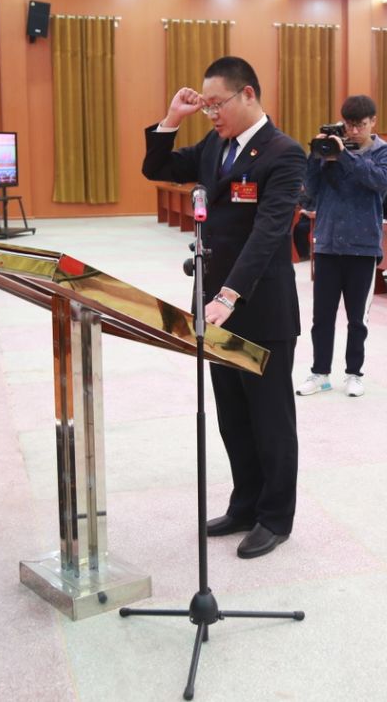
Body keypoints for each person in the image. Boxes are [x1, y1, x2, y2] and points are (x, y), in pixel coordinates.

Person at [141, 55, 302, 558]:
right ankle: (245, 505)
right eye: (205, 105)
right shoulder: (215, 145)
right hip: (212, 305)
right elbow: (158, 168)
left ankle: (275, 517)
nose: (210, 113)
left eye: (217, 104)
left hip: (258, 307)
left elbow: (269, 231)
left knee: (270, 419)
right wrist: (170, 120)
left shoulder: (284, 153)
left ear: (248, 94)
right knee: (231, 415)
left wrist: (229, 295)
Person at [299, 95, 387, 399]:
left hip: (363, 247)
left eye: (360, 126)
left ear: (373, 122)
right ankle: (320, 373)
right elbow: (310, 192)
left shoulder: (384, 152)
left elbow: (379, 181)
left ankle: (354, 374)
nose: (353, 131)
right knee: (321, 318)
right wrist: (315, 157)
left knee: (357, 319)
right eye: (349, 125)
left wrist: (344, 156)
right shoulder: (330, 149)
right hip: (327, 244)